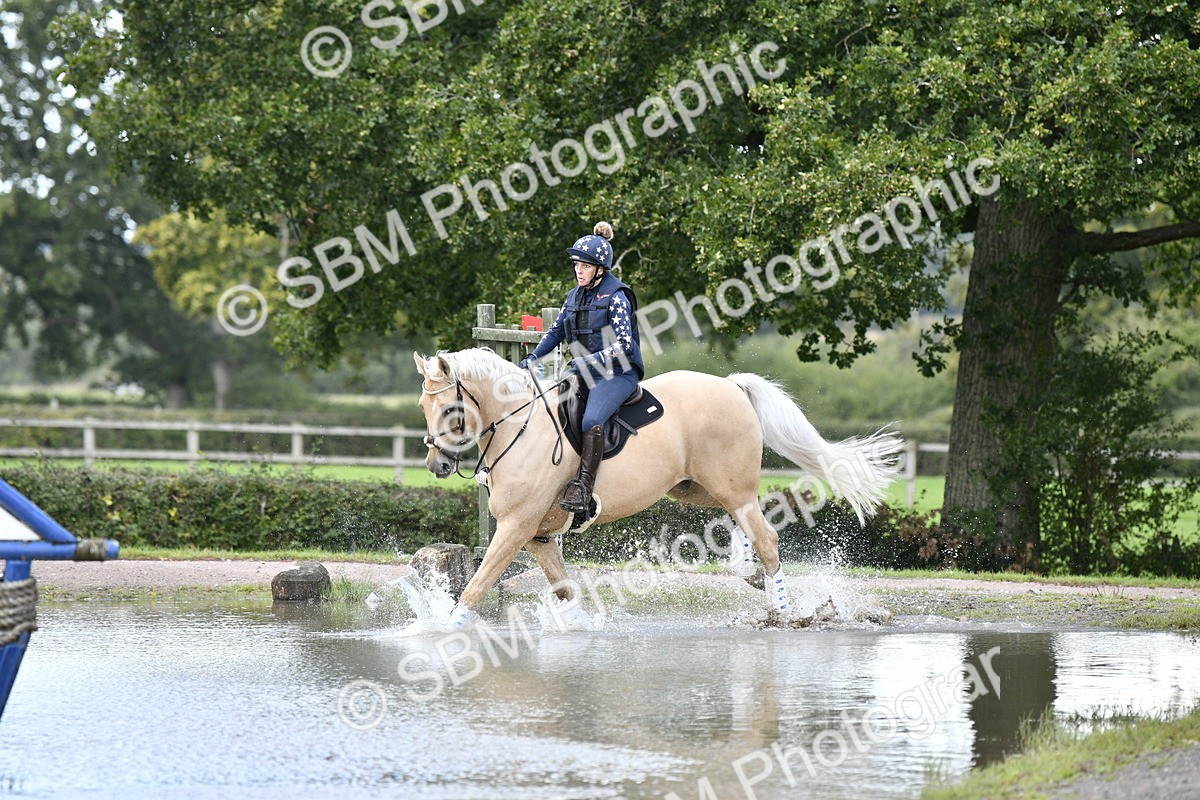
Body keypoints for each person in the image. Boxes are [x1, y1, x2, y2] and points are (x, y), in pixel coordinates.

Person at [520, 221, 645, 515]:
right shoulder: (574, 295)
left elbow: (625, 346)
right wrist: (534, 357)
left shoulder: (617, 297)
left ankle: (584, 488)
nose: (578, 270)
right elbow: (555, 331)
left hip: (618, 373)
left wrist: (587, 362)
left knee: (591, 421)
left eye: (585, 266)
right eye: (576, 264)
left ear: (600, 269)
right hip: (584, 371)